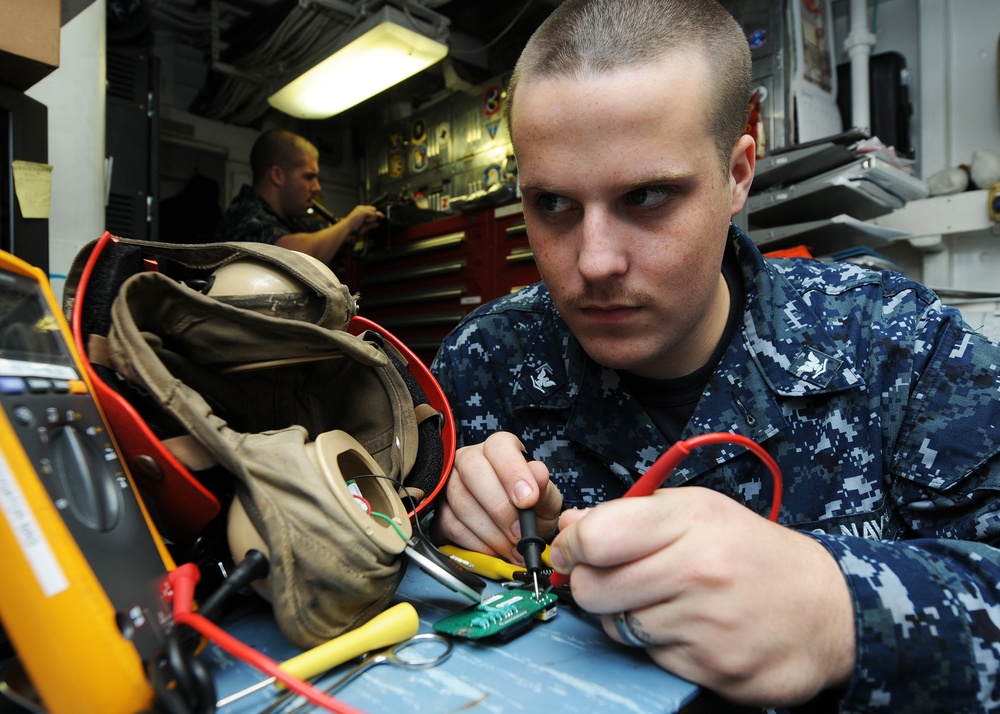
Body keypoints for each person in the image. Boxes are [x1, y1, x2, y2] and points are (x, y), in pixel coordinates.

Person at [429, 0, 1000, 712]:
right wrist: (440, 510)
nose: (594, 261)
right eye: (552, 204)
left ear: (737, 174)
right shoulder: (481, 364)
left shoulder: (895, 344)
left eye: (646, 196)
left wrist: (838, 609)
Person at [214, 128, 383, 264]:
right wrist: (347, 225)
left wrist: (358, 225)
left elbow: (324, 234)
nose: (317, 187)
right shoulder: (243, 217)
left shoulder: (292, 219)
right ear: (277, 176)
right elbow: (295, 257)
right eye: (309, 177)